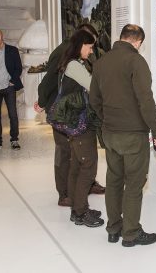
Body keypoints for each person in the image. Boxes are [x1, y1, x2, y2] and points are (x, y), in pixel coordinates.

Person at [89, 24, 156, 247]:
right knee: (133, 184)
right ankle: (130, 234)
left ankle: (113, 229)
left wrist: (108, 119)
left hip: (110, 134)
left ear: (121, 38)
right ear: (138, 42)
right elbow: (145, 101)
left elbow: (94, 99)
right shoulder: (136, 62)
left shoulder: (101, 63)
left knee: (113, 181)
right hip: (133, 135)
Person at [35, 23, 106, 207]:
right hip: (60, 110)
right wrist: (42, 102)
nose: (92, 50)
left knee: (78, 152)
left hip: (74, 109)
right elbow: (49, 79)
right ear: (82, 39)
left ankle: (84, 185)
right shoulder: (63, 53)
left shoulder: (75, 54)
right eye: (90, 45)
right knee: (64, 152)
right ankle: (64, 193)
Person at [54, 29, 105, 227]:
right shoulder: (75, 66)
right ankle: (81, 212)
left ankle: (77, 209)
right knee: (88, 166)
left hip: (74, 124)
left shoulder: (70, 64)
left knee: (77, 165)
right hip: (80, 123)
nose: (91, 51)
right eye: (89, 47)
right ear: (81, 45)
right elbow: (93, 86)